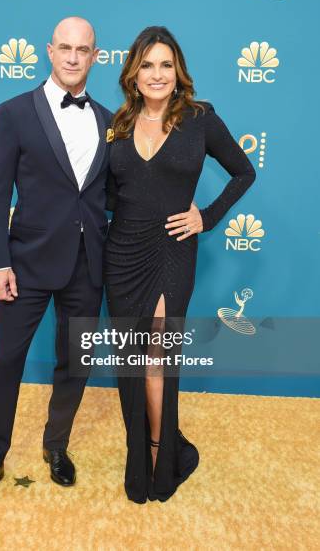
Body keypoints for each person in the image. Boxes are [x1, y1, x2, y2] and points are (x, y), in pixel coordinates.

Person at [0, 17, 112, 508]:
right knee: (6, 361)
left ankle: (57, 445)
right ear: (49, 51)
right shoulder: (13, 113)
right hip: (24, 262)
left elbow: (111, 194)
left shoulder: (110, 121)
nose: (72, 57)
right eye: (65, 48)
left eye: (82, 49)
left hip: (88, 263)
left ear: (95, 56)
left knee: (76, 363)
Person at [104, 26, 256, 504]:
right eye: (147, 65)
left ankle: (159, 456)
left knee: (156, 361)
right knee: (131, 361)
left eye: (166, 65)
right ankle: (145, 451)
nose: (157, 74)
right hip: (122, 253)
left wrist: (206, 218)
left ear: (179, 71)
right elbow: (109, 195)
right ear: (133, 72)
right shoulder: (118, 125)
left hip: (172, 252)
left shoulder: (200, 120)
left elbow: (244, 171)